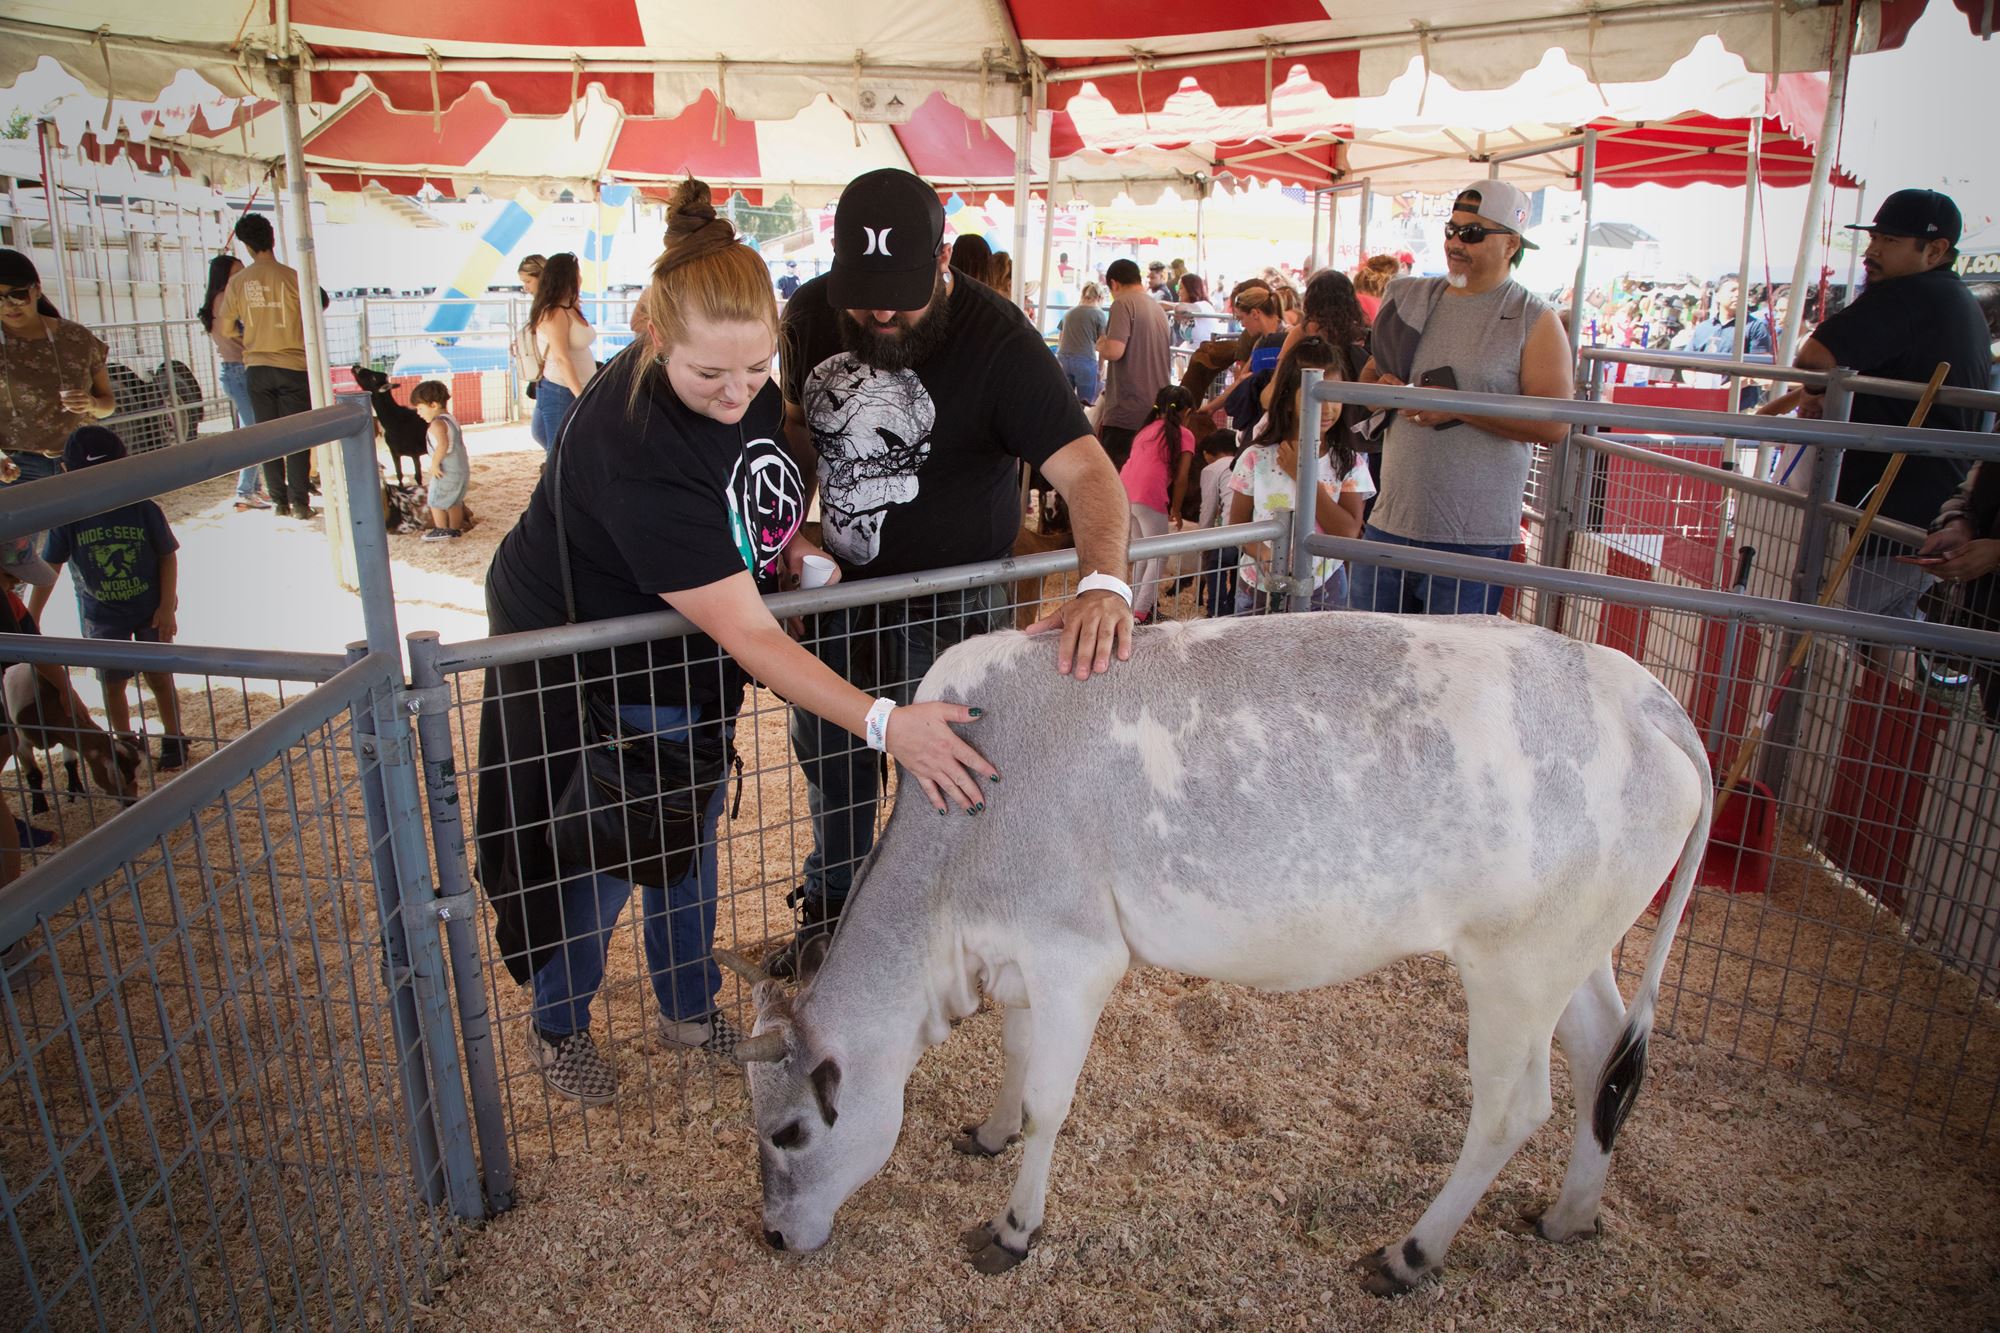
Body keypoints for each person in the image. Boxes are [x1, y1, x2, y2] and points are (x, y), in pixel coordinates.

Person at [475, 178, 1002, 1102]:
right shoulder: (635, 446)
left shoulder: (752, 388)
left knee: (694, 820)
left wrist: (788, 541)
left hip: (683, 648)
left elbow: (754, 488)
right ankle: (561, 1024)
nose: (736, 393)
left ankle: (687, 1005)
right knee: (613, 834)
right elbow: (752, 634)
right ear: (652, 336)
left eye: (755, 370)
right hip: (598, 652)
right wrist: (885, 722)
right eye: (709, 374)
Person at [774, 166, 1133, 976]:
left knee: (940, 775)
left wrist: (1104, 580)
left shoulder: (1001, 340)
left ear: (943, 262)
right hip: (838, 594)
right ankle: (829, 912)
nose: (881, 313)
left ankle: (928, 929)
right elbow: (794, 429)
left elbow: (1087, 473)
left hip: (950, 609)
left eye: (901, 292)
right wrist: (789, 537)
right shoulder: (808, 311)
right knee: (830, 762)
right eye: (864, 294)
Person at [1349, 179, 1574, 615]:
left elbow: (1553, 423)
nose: (1455, 242)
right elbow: (1373, 372)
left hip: (1474, 539)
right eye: (1451, 230)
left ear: (1511, 244)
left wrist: (1457, 408)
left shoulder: (1534, 318)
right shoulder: (1410, 296)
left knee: (1454, 678)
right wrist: (1381, 392)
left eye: (1471, 233)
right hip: (1390, 522)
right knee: (1369, 670)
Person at [1790, 188, 1989, 626]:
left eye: (1891, 241)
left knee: (1832, 630)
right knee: (1885, 634)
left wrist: (1817, 388)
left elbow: (1815, 356)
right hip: (1922, 505)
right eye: (1874, 238)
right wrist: (1821, 393)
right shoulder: (1951, 297)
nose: (1873, 251)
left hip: (1888, 508)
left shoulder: (1913, 294)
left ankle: (1831, 698)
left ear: (1935, 250)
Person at [33, 426, 186, 771]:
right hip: (101, 615)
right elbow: (49, 567)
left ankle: (174, 737)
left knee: (159, 676)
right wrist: (31, 616)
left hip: (150, 610)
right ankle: (125, 740)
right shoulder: (67, 516)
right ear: (66, 473)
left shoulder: (142, 507)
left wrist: (166, 605)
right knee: (112, 681)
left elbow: (167, 554)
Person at [1228, 337, 1373, 614]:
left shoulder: (1349, 463)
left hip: (1324, 588)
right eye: (1317, 397)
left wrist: (1301, 474)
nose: (1329, 408)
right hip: (1259, 588)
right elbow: (1238, 525)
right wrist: (1266, 554)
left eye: (1335, 395)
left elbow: (1347, 532)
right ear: (1289, 398)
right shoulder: (1255, 458)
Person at [219, 213, 323, 520]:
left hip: (258, 367)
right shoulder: (293, 277)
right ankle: (301, 502)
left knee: (270, 438)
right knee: (298, 437)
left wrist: (248, 332)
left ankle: (279, 502)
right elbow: (316, 312)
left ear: (247, 247)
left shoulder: (238, 283)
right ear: (272, 239)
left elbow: (226, 329)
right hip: (293, 364)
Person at [0, 249, 114, 490]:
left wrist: (91, 404)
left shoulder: (77, 337)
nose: (9, 306)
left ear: (37, 290)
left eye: (18, 295)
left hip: (82, 458)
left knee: (89, 528)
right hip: (15, 468)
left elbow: (108, 405)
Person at [195, 253, 270, 510]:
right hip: (239, 370)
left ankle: (255, 488)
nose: (243, 276)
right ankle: (244, 491)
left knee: (252, 432)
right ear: (224, 277)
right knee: (254, 435)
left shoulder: (219, 299)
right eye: (237, 273)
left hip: (236, 371)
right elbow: (245, 331)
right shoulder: (226, 299)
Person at [1120, 385, 1197, 621]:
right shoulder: (1184, 434)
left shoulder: (1145, 430)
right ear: (1186, 412)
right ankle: (1140, 613)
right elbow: (1182, 478)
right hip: (1149, 494)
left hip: (1124, 492)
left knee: (1144, 553)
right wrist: (1176, 508)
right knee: (1159, 555)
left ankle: (1131, 607)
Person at [1096, 257, 1173, 470]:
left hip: (1127, 411)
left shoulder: (1122, 303)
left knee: (1117, 478)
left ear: (1114, 284)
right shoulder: (1157, 308)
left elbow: (1114, 350)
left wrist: (1101, 344)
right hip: (1156, 408)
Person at [528, 253, 594, 457]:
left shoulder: (570, 306)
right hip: (561, 388)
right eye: (578, 273)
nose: (581, 278)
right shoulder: (555, 312)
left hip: (568, 388)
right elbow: (561, 358)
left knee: (550, 440)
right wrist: (581, 395)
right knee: (559, 453)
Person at [1689, 274, 1773, 407]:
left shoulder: (1755, 327)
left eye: (1742, 291)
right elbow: (1688, 362)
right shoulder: (1703, 328)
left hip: (1739, 405)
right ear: (1718, 295)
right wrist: (1693, 383)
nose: (1738, 294)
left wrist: (1724, 390)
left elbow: (1758, 368)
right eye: (1733, 290)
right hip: (1701, 401)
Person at [411, 380, 470, 541]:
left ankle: (441, 529)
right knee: (455, 501)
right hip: (461, 470)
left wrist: (435, 464)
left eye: (420, 408)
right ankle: (454, 530)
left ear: (434, 405)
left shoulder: (437, 424)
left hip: (447, 470)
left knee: (435, 500)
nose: (418, 412)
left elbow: (442, 444)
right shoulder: (450, 419)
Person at [1194, 427, 1239, 616]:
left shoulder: (1212, 469)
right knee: (1239, 571)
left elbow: (1208, 507)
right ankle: (1234, 607)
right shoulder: (1242, 462)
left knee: (1216, 567)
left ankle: (1215, 611)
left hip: (1229, 529)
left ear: (1208, 453)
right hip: (1252, 529)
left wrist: (1202, 539)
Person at [1057, 282, 1107, 405]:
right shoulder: (1099, 314)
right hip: (1085, 361)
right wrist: (1100, 369)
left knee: (1065, 401)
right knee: (1085, 403)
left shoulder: (1070, 312)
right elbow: (1103, 344)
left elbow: (1061, 338)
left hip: (1063, 358)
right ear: (1100, 297)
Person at [513, 253, 546, 422]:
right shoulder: (540, 304)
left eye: (528, 281)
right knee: (540, 431)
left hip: (549, 374)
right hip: (544, 373)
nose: (525, 287)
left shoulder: (548, 305)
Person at [1165, 274, 1228, 346]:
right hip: (1193, 354)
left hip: (1205, 354)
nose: (1178, 291)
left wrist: (1176, 309)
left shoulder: (1204, 305)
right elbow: (1160, 304)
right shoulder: (1188, 307)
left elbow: (1179, 308)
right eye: (1177, 288)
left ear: (1190, 289)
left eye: (1181, 288)